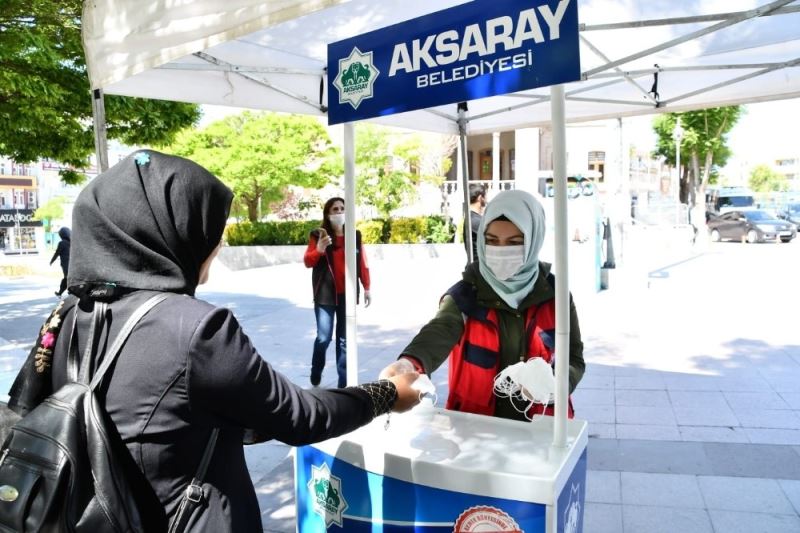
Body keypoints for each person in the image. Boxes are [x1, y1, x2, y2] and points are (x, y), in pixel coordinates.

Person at [8, 150, 419, 532]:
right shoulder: (195, 329)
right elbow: (300, 416)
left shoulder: (66, 314)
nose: (216, 243)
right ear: (171, 230)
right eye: (205, 228)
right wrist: (387, 393)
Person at [381, 190, 585, 421]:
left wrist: (557, 385)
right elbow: (438, 331)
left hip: (543, 428)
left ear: (533, 240)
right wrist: (409, 363)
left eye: (514, 242)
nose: (501, 250)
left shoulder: (555, 295)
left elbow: (574, 358)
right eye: (492, 240)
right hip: (476, 427)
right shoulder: (465, 295)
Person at [304, 197, 371, 388]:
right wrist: (319, 249)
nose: (340, 212)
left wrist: (367, 287)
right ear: (328, 214)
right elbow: (308, 261)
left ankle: (343, 384)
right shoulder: (318, 235)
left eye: (343, 208)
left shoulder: (354, 235)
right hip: (325, 295)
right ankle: (316, 370)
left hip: (347, 295)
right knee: (323, 338)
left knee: (344, 340)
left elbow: (362, 263)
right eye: (335, 209)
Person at [463, 183, 486, 262]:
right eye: (485, 197)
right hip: (479, 266)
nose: (486, 199)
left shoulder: (470, 218)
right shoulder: (476, 221)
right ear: (480, 198)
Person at [49, 226, 71, 296]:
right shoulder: (72, 243)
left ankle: (64, 291)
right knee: (69, 278)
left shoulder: (62, 243)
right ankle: (66, 291)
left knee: (67, 278)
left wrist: (52, 261)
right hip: (73, 264)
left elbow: (57, 253)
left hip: (66, 265)